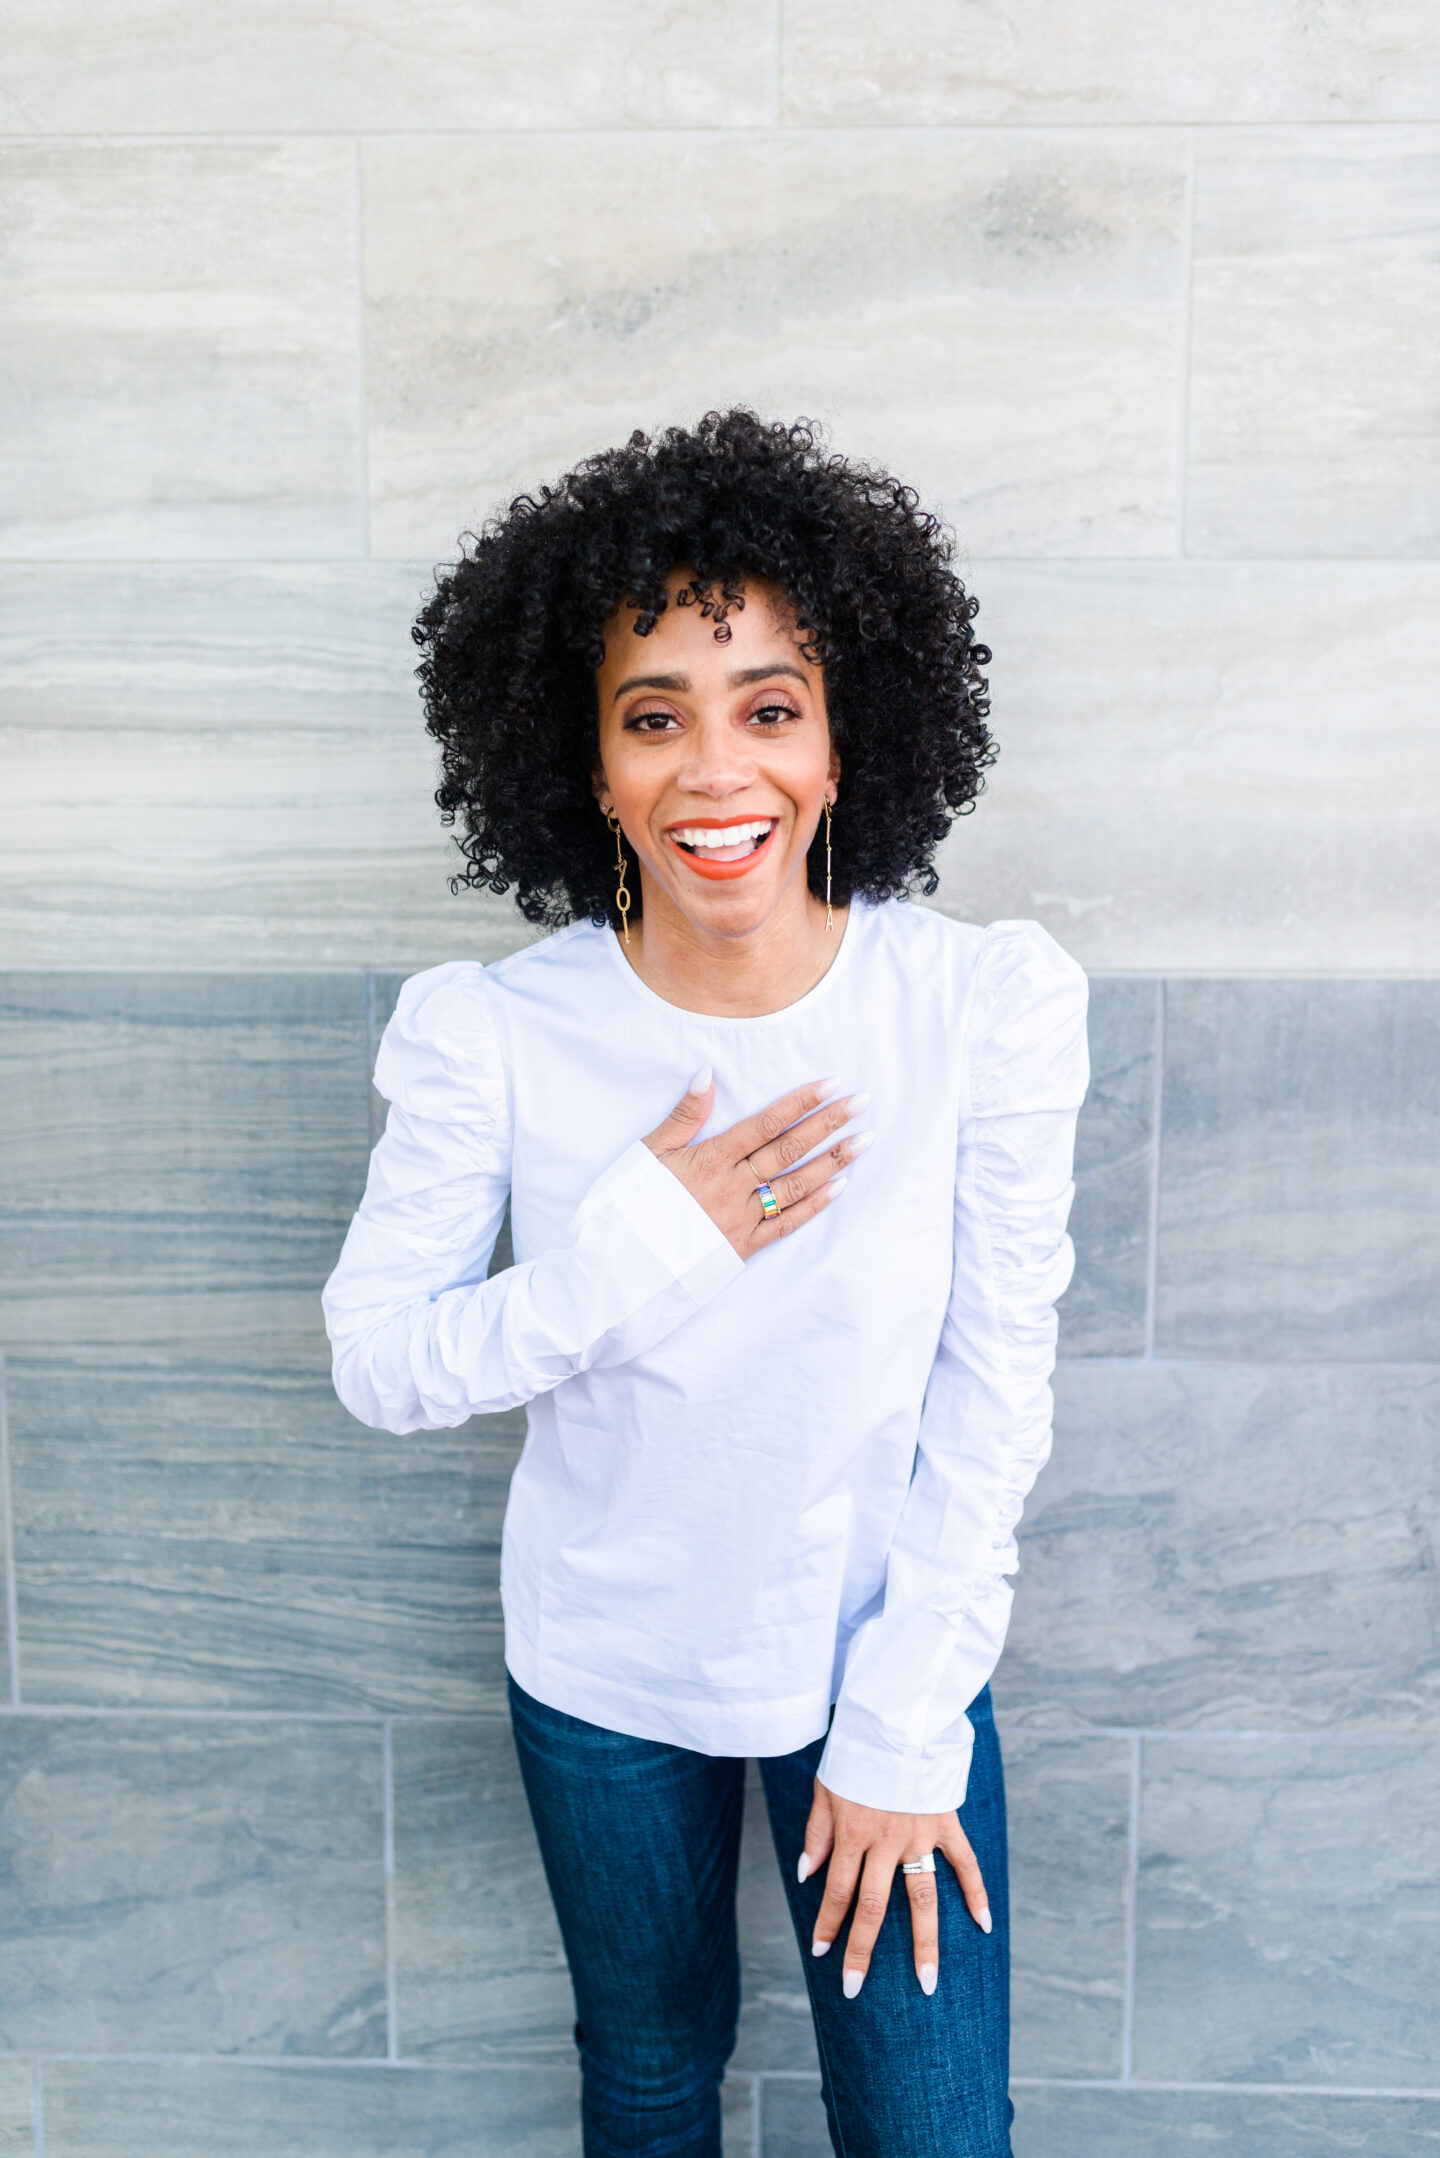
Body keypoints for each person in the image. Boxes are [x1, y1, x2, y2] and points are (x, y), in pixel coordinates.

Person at [322, 409, 1089, 2158]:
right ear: (589, 764)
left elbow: (996, 1389)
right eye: (654, 715)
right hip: (605, 1664)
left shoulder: (982, 1006)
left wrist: (905, 1722)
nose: (715, 770)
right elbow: (381, 1358)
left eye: (769, 707)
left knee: (931, 2123)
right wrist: (639, 1245)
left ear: (839, 745)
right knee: (655, 2079)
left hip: (884, 1648)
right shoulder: (494, 1032)